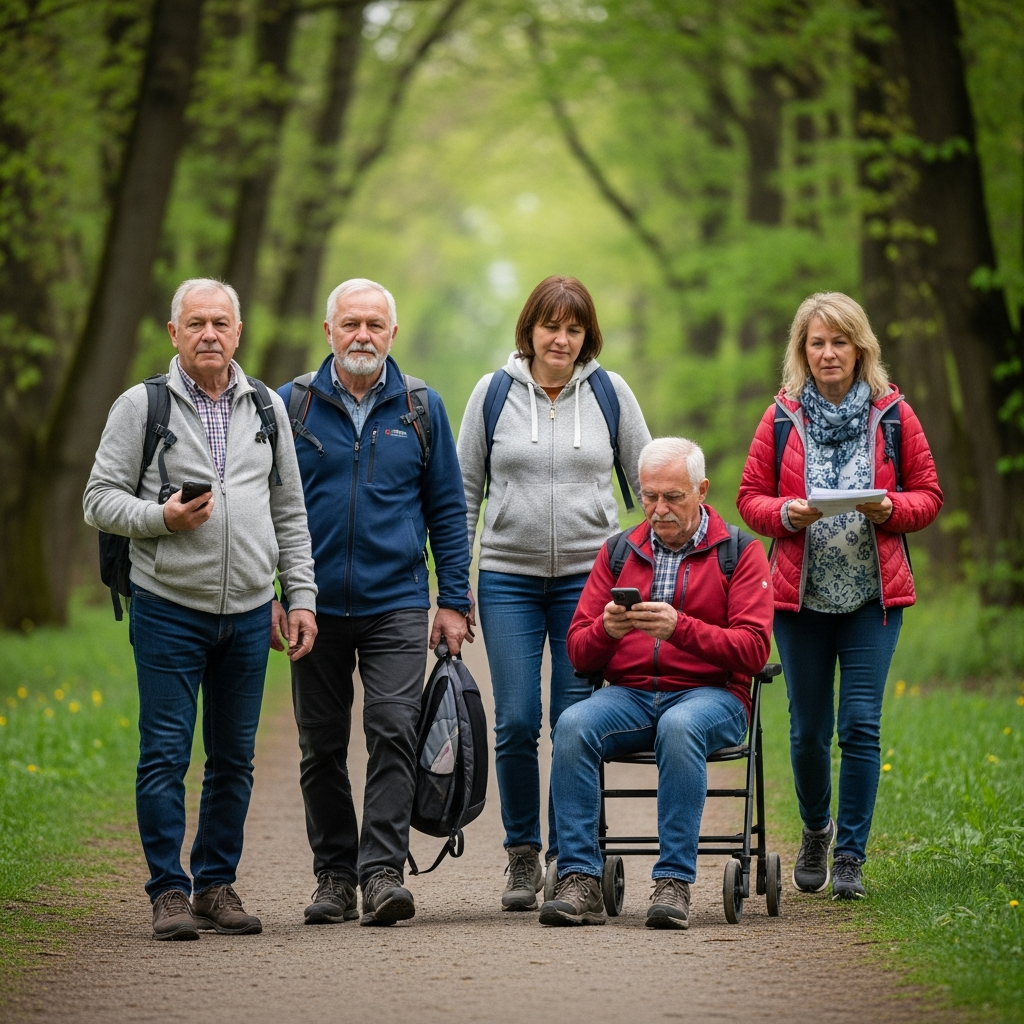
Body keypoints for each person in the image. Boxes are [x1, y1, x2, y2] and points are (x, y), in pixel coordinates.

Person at [84, 278, 318, 941]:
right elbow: (98, 498)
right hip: (167, 608)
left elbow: (290, 512)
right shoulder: (142, 406)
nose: (209, 334)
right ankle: (168, 890)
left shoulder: (267, 407)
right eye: (196, 323)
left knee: (234, 759)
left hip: (249, 611)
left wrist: (300, 596)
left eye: (220, 323)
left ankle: (215, 885)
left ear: (238, 332)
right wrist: (161, 517)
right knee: (164, 755)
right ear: (174, 333)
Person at [278, 278, 472, 927]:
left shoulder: (420, 407)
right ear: (329, 331)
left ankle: (382, 871)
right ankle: (334, 875)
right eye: (351, 323)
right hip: (312, 605)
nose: (362, 335)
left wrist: (453, 600)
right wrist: (278, 593)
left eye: (374, 325)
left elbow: (447, 509)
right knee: (320, 744)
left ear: (392, 334)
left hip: (396, 601)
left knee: (393, 728)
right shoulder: (292, 406)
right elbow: (266, 507)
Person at [737, 291, 942, 900]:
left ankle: (850, 855)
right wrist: (786, 514)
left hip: (872, 600)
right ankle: (815, 830)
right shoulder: (780, 417)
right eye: (817, 343)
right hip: (798, 601)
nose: (828, 353)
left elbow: (928, 494)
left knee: (859, 725)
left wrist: (891, 508)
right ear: (802, 351)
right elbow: (750, 498)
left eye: (839, 342)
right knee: (807, 731)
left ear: (860, 348)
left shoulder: (894, 414)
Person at [457, 275, 650, 912]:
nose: (561, 339)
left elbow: (652, 485)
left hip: (589, 585)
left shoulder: (610, 393)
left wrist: (655, 573)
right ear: (530, 330)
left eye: (573, 328)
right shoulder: (492, 394)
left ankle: (571, 860)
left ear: (587, 335)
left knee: (573, 722)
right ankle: (522, 852)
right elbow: (463, 494)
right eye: (551, 326)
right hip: (506, 578)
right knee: (516, 721)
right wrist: (454, 588)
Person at [539, 437, 773, 928]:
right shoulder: (618, 551)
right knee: (573, 724)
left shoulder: (739, 552)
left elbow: (754, 651)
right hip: (630, 695)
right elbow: (579, 651)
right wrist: (606, 630)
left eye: (673, 496)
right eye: (649, 496)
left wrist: (679, 628)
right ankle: (580, 877)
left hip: (713, 696)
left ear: (701, 491)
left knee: (680, 726)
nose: (659, 509)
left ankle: (673, 882)